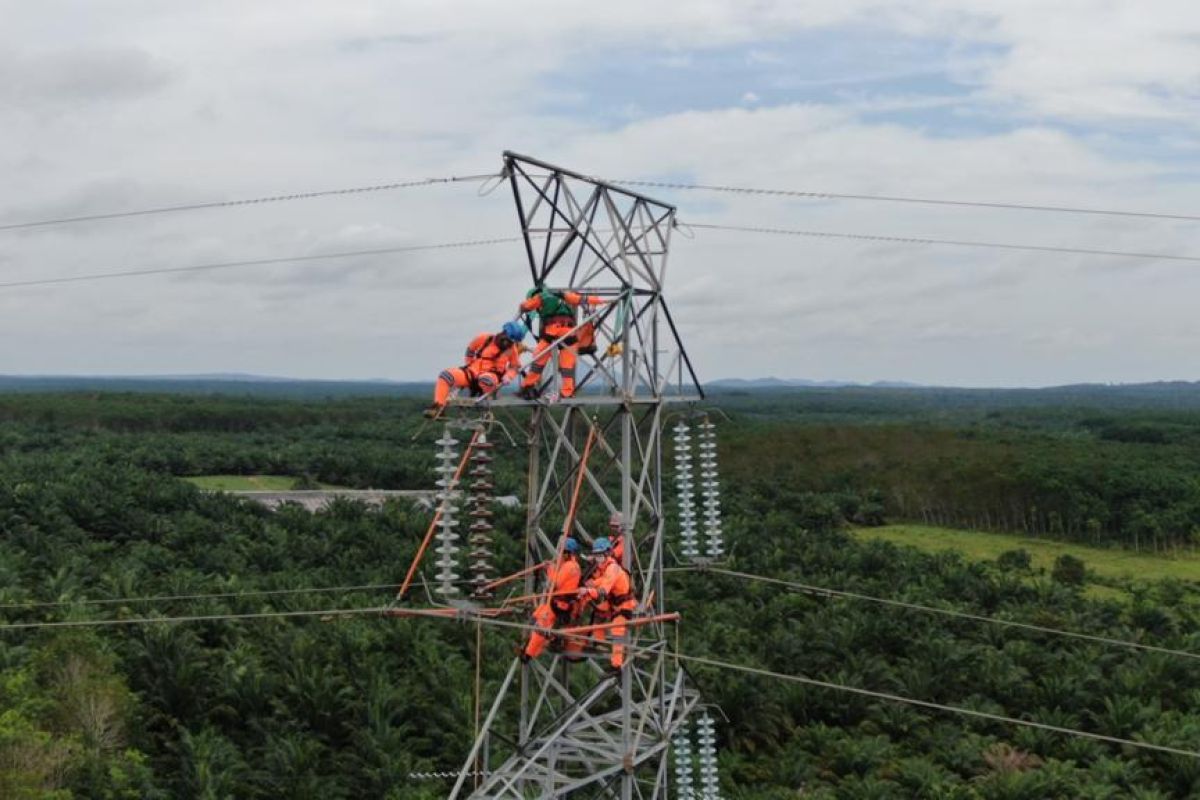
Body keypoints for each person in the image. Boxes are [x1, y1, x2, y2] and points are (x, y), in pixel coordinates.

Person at [516, 285, 607, 400]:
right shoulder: (561, 295)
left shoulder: (540, 297)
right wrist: (600, 301)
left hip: (553, 331)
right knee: (567, 366)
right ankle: (567, 392)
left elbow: (526, 306)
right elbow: (580, 299)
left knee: (538, 359)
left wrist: (523, 306)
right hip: (570, 333)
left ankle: (527, 386)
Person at [425, 321, 526, 418]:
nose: (506, 344)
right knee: (446, 375)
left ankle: (485, 397)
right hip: (472, 372)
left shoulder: (511, 349)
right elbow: (471, 349)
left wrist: (508, 376)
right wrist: (469, 363)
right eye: (506, 340)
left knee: (486, 380)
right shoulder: (485, 338)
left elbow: (514, 366)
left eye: (510, 342)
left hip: (492, 376)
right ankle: (438, 407)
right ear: (502, 333)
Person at [576, 537, 637, 672]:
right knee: (599, 612)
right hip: (613, 604)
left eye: (600, 556)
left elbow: (603, 591)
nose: (598, 560)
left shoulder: (612, 568)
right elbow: (600, 582)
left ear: (607, 554)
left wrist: (588, 590)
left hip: (623, 606)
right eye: (596, 556)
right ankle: (599, 643)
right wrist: (587, 587)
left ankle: (616, 665)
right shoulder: (604, 569)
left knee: (617, 630)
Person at [522, 538, 583, 662]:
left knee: (540, 627)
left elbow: (554, 583)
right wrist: (551, 567)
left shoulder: (569, 566)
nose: (560, 554)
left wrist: (549, 570)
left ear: (568, 553)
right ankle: (530, 649)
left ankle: (528, 654)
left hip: (560, 603)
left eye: (562, 552)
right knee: (536, 616)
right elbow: (557, 577)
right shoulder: (571, 565)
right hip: (558, 603)